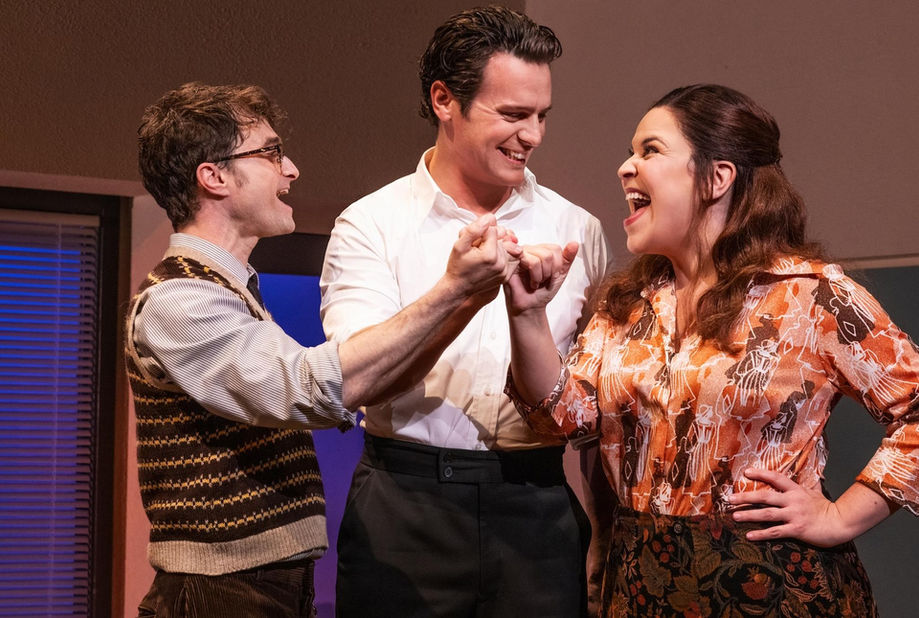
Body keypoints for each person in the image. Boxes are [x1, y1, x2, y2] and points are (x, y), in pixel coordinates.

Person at [504, 83, 919, 616]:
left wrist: (840, 517)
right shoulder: (627, 304)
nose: (625, 167)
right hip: (641, 587)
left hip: (769, 589)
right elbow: (562, 421)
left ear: (717, 178)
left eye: (650, 150)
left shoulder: (810, 296)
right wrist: (527, 314)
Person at [127, 82, 522, 618]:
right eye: (269, 152)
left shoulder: (224, 290)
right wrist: (452, 289)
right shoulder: (179, 300)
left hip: (258, 582)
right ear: (213, 176)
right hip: (219, 589)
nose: (290, 169)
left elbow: (355, 383)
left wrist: (467, 299)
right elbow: (307, 388)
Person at [319, 6, 612, 616]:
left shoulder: (574, 228)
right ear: (444, 100)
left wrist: (606, 533)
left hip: (538, 502)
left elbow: (595, 404)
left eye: (540, 116)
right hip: (407, 502)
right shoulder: (372, 224)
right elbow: (353, 380)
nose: (531, 134)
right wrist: (457, 290)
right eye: (511, 115)